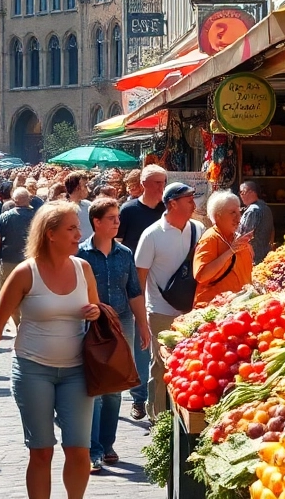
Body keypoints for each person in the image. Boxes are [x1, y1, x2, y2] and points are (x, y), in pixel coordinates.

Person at [0, 202, 101, 499]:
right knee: (41, 451)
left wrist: (95, 312)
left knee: (78, 450)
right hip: (33, 369)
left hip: (77, 371)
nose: (78, 234)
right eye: (71, 228)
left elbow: (98, 309)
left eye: (77, 228)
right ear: (50, 234)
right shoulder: (25, 272)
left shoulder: (83, 268)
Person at [77, 199, 150, 473]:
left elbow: (134, 291)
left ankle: (107, 445)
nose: (117, 222)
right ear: (96, 222)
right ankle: (92, 450)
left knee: (115, 389)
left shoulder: (125, 254)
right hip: (92, 325)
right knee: (95, 387)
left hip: (122, 322)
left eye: (118, 217)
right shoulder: (81, 254)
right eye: (111, 218)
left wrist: (143, 325)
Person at [135, 182, 205, 417]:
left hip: (192, 312)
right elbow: (140, 277)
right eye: (188, 199)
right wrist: (142, 317)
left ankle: (180, 415)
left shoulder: (198, 228)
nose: (193, 204)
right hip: (160, 311)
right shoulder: (152, 235)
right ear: (172, 203)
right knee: (161, 364)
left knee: (189, 364)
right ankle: (158, 415)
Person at [117, 163, 166, 420]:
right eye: (157, 183)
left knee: (156, 340)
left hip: (162, 284)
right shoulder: (129, 210)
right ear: (144, 184)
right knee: (140, 341)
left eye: (163, 182)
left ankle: (157, 397)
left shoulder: (167, 211)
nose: (161, 188)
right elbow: (118, 243)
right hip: (135, 283)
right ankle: (138, 398)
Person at [194, 191, 255, 307]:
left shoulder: (237, 238)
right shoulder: (210, 238)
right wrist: (230, 252)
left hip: (239, 306)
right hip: (214, 308)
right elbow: (202, 276)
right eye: (233, 213)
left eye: (239, 212)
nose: (238, 218)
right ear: (218, 216)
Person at [0, 187, 38, 326]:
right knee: (29, 293)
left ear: (14, 200)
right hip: (30, 261)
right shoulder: (36, 216)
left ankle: (18, 322)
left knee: (9, 295)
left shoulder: (5, 216)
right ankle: (26, 322)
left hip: (8, 261)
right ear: (29, 199)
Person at [237, 181, 275, 265]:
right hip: (265, 256)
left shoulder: (252, 211)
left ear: (251, 192)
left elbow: (244, 236)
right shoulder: (266, 208)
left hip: (252, 259)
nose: (241, 195)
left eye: (242, 192)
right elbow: (272, 232)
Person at [66, 172, 93, 239]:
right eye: (85, 186)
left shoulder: (89, 205)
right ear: (77, 188)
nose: (88, 190)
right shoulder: (62, 210)